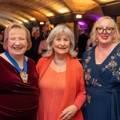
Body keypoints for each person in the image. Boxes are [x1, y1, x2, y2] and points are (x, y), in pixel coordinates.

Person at [36, 24, 86, 120]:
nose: (62, 44)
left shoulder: (77, 66)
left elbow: (82, 92)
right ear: (52, 42)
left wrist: (75, 106)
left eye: (66, 40)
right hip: (43, 114)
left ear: (70, 43)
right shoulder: (42, 62)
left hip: (66, 116)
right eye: (58, 39)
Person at [82, 16, 120, 120]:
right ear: (96, 32)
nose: (104, 32)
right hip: (90, 106)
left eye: (109, 28)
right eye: (100, 28)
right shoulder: (87, 54)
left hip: (114, 105)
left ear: (115, 32)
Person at [0, 23, 39, 120]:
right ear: (6, 42)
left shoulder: (31, 62)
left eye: (21, 39)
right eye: (13, 38)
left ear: (27, 42)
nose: (17, 43)